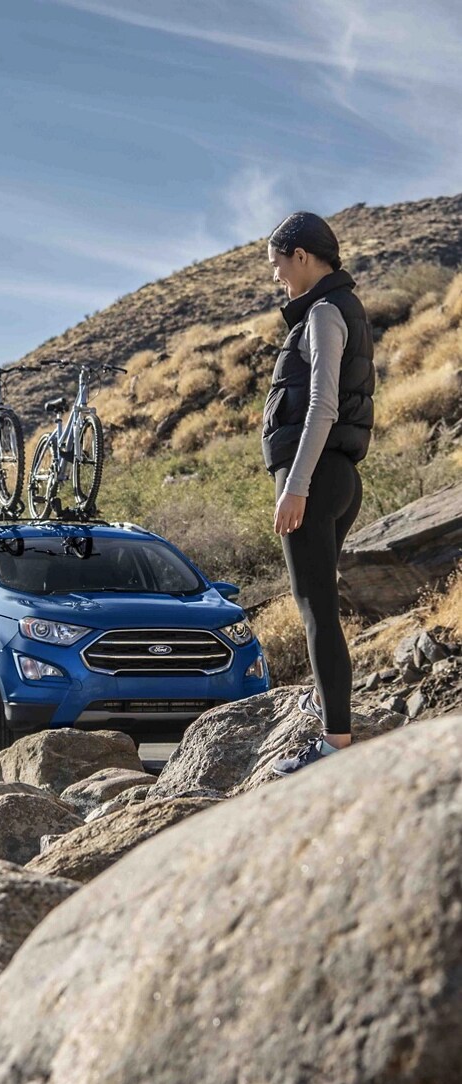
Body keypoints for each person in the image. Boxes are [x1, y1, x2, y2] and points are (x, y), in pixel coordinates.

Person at [262, 212, 374, 776]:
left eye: (279, 263)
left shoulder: (325, 313)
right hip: (335, 477)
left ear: (302, 256)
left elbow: (322, 407)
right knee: (318, 607)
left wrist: (295, 487)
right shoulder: (333, 309)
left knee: (314, 610)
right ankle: (331, 714)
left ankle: (333, 745)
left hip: (318, 477)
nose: (278, 276)